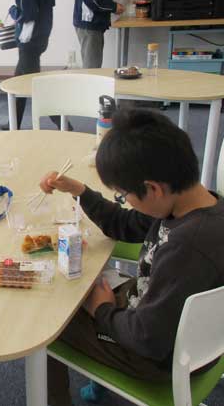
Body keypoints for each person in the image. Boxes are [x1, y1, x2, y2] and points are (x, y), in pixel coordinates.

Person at [39, 108, 224, 405]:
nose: (125, 202)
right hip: (163, 316)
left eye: (123, 195)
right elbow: (123, 224)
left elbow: (147, 339)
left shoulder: (188, 248)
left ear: (152, 188)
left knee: (49, 323)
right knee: (80, 283)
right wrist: (79, 191)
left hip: (158, 356)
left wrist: (102, 310)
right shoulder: (190, 203)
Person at [0, 0, 63, 131]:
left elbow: (28, 14)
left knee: (37, 88)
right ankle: (13, 123)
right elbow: (48, 5)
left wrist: (13, 10)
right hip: (40, 36)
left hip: (30, 40)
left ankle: (63, 123)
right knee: (18, 81)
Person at [73, 0, 124, 68]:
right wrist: (113, 7)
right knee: (92, 69)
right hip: (90, 24)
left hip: (91, 24)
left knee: (92, 66)